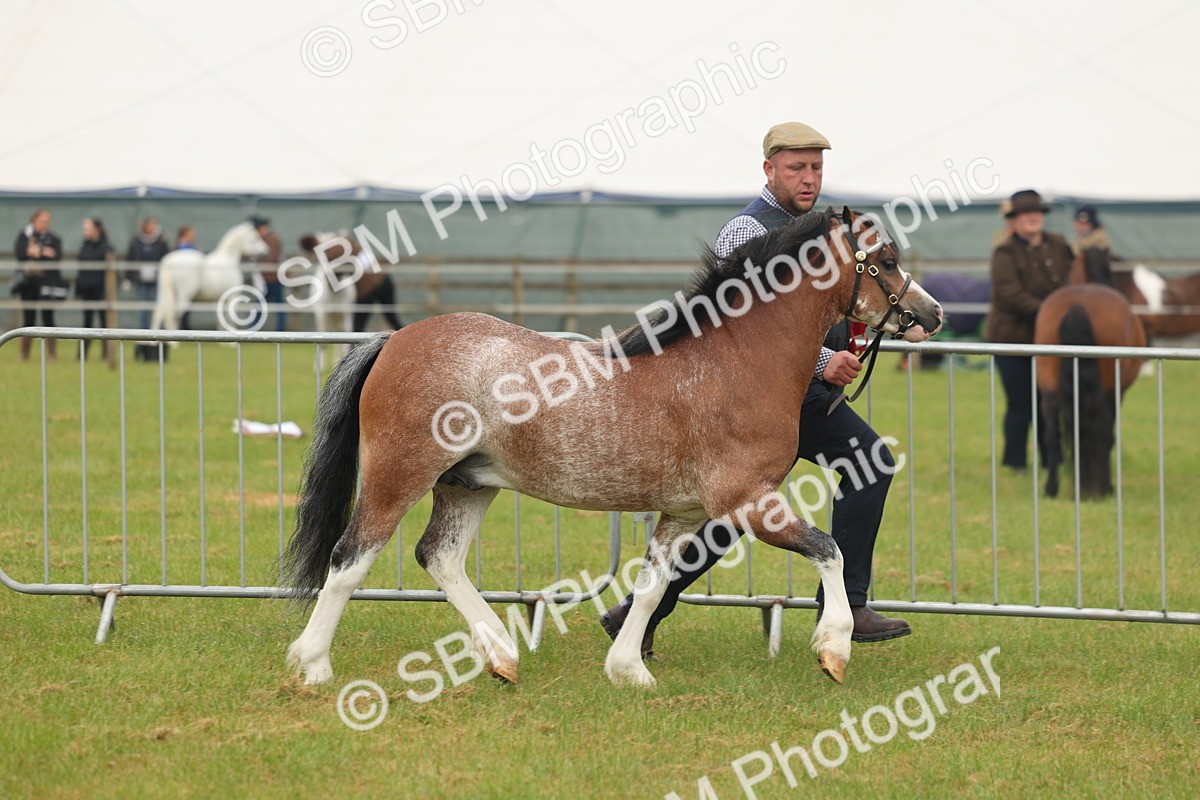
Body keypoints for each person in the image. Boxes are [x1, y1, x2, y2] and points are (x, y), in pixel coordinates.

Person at [600, 122, 911, 658]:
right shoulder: (747, 232)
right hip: (750, 398)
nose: (809, 178)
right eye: (797, 168)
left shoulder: (826, 233)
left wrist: (899, 318)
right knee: (737, 513)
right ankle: (638, 613)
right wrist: (821, 361)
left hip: (799, 395)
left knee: (864, 466)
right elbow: (738, 327)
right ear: (769, 169)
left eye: (816, 167)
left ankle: (847, 603)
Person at [984, 189, 1073, 470]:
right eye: (1025, 213)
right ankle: (1015, 463)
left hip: (1053, 340)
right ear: (1014, 219)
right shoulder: (1004, 252)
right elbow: (1011, 295)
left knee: (1051, 402)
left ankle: (1053, 459)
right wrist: (1054, 314)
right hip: (1014, 339)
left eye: (1037, 212)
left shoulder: (1059, 244)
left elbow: (1074, 280)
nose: (1032, 217)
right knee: (1022, 404)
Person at [13, 208, 65, 361]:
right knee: (29, 318)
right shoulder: (25, 236)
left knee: (48, 318)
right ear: (34, 221)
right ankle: (24, 354)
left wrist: (37, 251)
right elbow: (20, 254)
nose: (45, 224)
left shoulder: (54, 238)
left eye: (47, 221)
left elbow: (56, 256)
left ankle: (52, 354)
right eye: (43, 221)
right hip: (28, 283)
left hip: (47, 283)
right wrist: (42, 251)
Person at [76, 217, 114, 359]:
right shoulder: (84, 246)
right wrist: (79, 289)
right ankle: (82, 355)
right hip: (87, 291)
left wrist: (107, 292)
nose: (85, 232)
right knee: (87, 323)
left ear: (96, 229)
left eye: (88, 229)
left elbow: (112, 273)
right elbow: (81, 270)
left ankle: (107, 354)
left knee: (105, 323)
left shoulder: (106, 247)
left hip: (101, 292)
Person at [125, 216, 169, 329]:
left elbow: (166, 257)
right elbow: (130, 258)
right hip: (141, 280)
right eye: (151, 224)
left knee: (157, 306)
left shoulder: (160, 241)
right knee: (143, 307)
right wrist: (128, 278)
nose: (154, 227)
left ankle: (157, 330)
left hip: (156, 279)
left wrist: (163, 241)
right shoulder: (136, 241)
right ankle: (144, 332)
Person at [249, 216, 287, 332]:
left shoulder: (273, 239)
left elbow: (271, 258)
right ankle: (253, 330)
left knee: (278, 308)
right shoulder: (263, 240)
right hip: (265, 280)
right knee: (260, 307)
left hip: (274, 279)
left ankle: (280, 332)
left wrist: (257, 261)